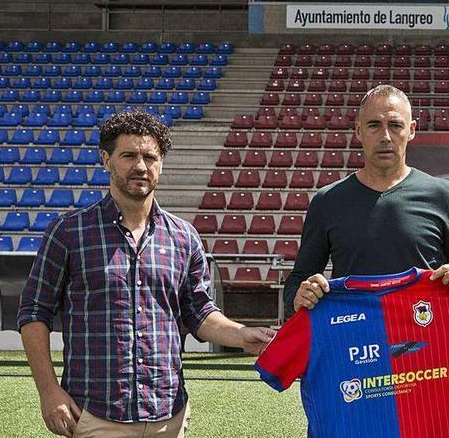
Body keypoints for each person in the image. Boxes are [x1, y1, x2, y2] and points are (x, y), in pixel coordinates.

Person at [17, 111, 275, 438]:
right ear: (106, 159)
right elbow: (33, 313)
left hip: (169, 414)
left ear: (161, 163)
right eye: (128, 156)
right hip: (95, 413)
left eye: (150, 157)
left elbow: (199, 313)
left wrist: (241, 334)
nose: (140, 166)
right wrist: (48, 390)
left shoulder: (184, 237)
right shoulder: (69, 232)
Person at [284, 84, 449, 313]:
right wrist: (299, 296)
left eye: (395, 125)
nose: (385, 136)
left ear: (411, 130)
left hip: (424, 338)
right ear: (358, 130)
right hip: (354, 340)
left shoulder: (442, 195)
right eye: (374, 125)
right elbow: (297, 280)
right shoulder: (327, 201)